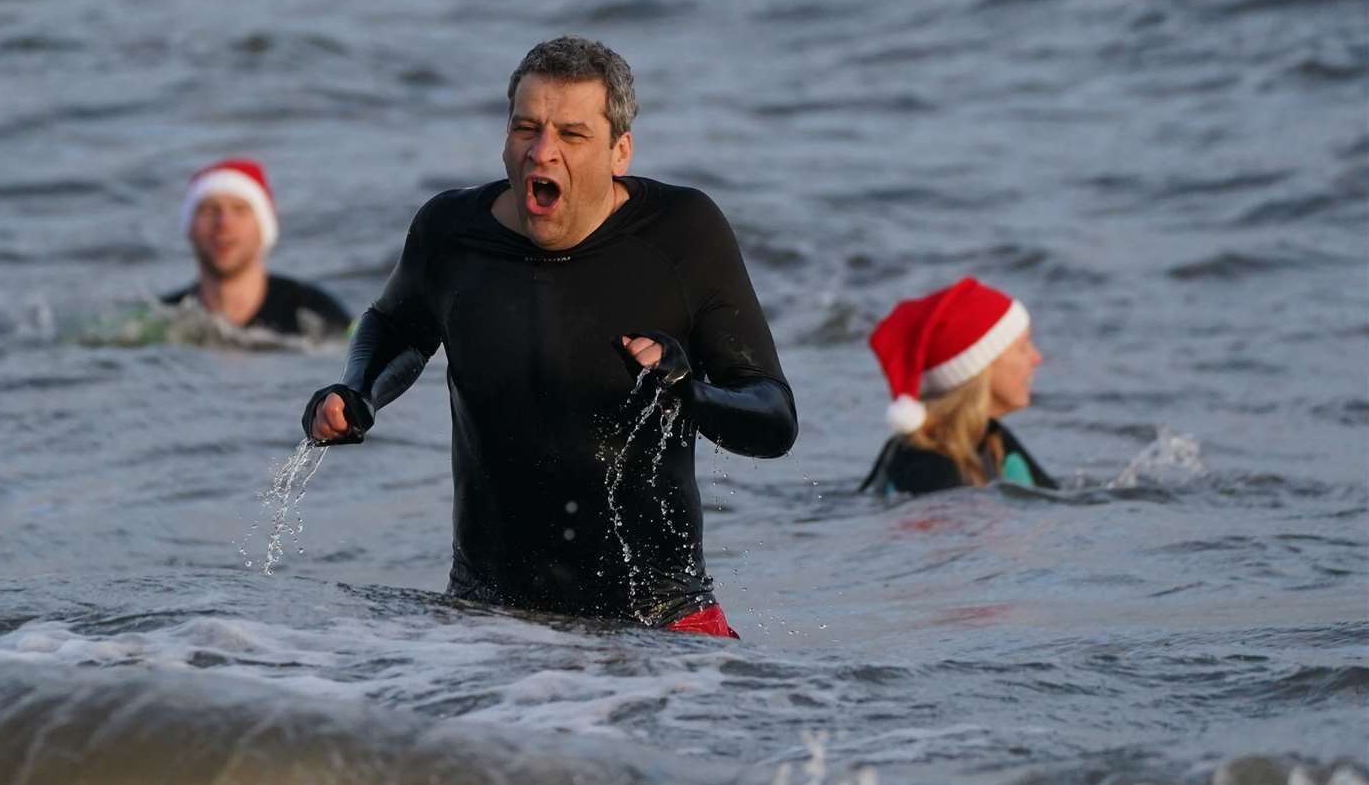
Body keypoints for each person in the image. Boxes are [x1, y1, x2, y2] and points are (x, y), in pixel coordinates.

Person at [301, 37, 796, 639]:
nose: (543, 152)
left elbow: (773, 417)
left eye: (572, 134)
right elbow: (396, 325)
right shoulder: (450, 233)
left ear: (621, 151)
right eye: (526, 128)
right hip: (487, 623)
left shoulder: (682, 235)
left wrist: (690, 395)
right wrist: (356, 395)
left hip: (661, 626)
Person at [860, 277, 1057, 495]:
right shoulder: (930, 467)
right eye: (1022, 348)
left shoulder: (990, 438)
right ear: (981, 369)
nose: (1036, 358)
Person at [163, 157, 351, 340]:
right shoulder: (162, 321)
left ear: (264, 227)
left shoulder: (319, 315)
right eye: (210, 210)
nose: (224, 224)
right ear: (190, 228)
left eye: (240, 210)